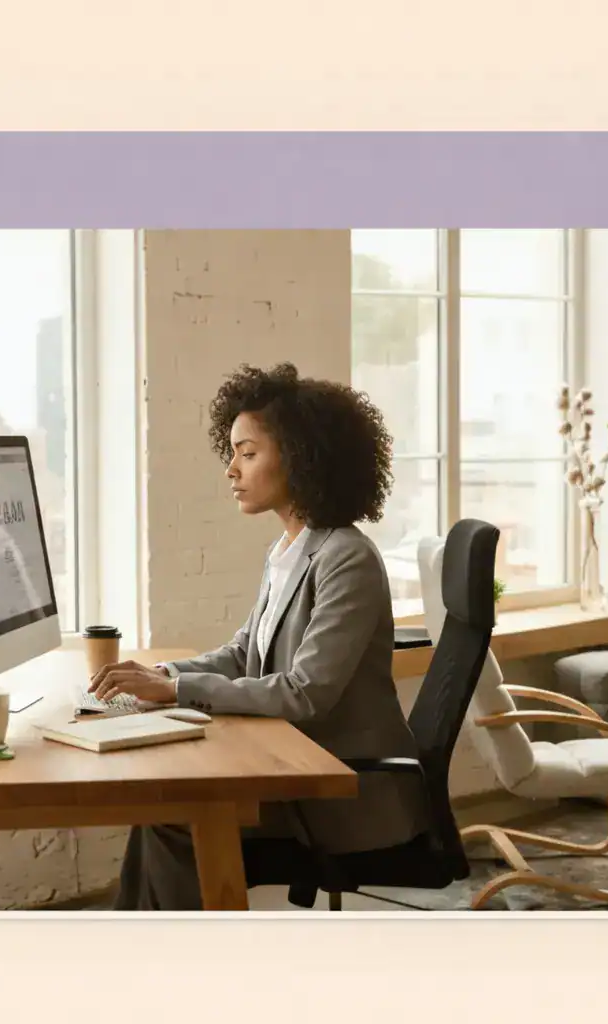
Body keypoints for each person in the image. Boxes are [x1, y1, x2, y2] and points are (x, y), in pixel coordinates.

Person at [89, 362, 429, 910]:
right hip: (294, 770)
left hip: (343, 795)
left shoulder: (347, 558)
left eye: (248, 453)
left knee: (177, 818)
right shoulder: (290, 551)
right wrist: (162, 676)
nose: (232, 469)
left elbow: (304, 693)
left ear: (299, 456)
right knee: (162, 809)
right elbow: (245, 653)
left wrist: (174, 693)